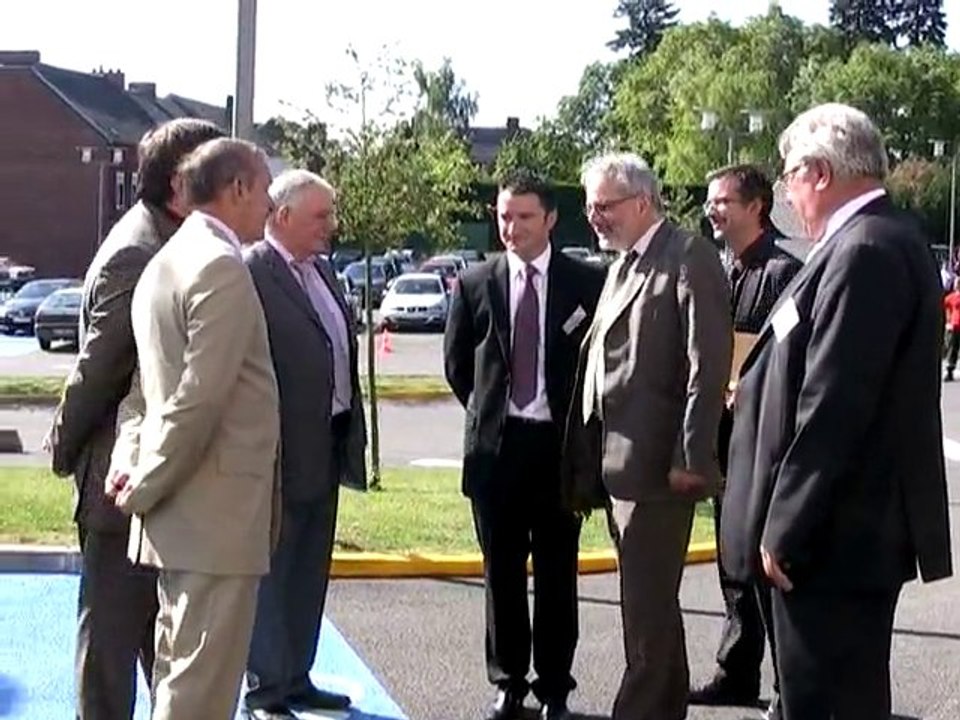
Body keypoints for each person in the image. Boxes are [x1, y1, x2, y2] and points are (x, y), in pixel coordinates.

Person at [721, 103, 953, 720]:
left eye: (790, 175)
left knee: (827, 703)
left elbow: (837, 404)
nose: (786, 193)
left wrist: (786, 525)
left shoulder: (867, 249)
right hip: (832, 538)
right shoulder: (857, 243)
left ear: (819, 173)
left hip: (831, 543)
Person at [46, 118, 223, 720]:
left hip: (149, 476)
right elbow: (100, 368)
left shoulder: (166, 242)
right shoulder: (140, 252)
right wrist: (64, 446)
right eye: (215, 173)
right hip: (120, 481)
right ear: (180, 186)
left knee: (152, 637)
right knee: (113, 642)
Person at [108, 137, 281, 720]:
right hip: (215, 517)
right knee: (200, 691)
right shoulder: (220, 266)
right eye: (264, 190)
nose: (270, 204)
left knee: (177, 675)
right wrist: (145, 482)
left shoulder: (165, 261)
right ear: (236, 189)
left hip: (183, 515)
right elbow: (197, 401)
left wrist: (130, 464)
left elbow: (141, 395)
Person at [563, 152, 732, 720]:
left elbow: (707, 366)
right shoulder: (624, 265)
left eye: (604, 206)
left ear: (641, 202)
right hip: (618, 468)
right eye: (589, 207)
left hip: (661, 470)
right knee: (650, 608)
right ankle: (665, 708)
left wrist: (692, 454)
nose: (595, 217)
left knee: (646, 609)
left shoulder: (688, 256)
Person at [444, 171, 604, 720]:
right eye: (503, 216)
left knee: (559, 574)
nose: (511, 228)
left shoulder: (586, 282)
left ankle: (555, 686)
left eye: (524, 217)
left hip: (559, 454)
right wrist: (494, 412)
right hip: (498, 453)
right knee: (502, 575)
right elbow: (458, 367)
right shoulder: (475, 282)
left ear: (551, 219)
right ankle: (509, 682)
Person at [243, 170, 367, 720]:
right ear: (283, 216)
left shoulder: (324, 271)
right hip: (279, 454)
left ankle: (296, 676)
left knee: (309, 571)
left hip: (328, 444)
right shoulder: (253, 272)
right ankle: (266, 689)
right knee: (274, 573)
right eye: (321, 216)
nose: (331, 226)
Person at [690, 164, 801, 719]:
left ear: (757, 206)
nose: (712, 210)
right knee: (733, 561)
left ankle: (788, 688)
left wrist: (747, 393)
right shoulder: (720, 269)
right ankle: (736, 673)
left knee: (764, 566)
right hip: (722, 438)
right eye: (710, 202)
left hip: (765, 444)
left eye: (722, 201)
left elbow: (792, 362)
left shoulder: (786, 274)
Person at [944, 277, 960, 381]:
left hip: (956, 324)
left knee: (953, 348)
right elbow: (944, 304)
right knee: (953, 348)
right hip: (955, 325)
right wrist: (948, 318)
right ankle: (950, 370)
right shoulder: (952, 297)